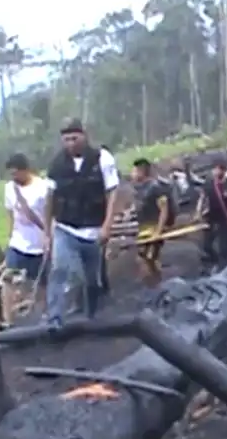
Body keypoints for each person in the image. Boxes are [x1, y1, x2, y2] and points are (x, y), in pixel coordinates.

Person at [43, 118, 120, 329]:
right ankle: (55, 318)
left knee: (92, 280)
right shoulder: (56, 164)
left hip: (94, 230)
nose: (70, 143)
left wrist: (107, 225)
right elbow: (49, 198)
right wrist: (47, 233)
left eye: (74, 138)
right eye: (66, 139)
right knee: (61, 270)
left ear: (84, 136)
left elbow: (112, 193)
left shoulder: (102, 158)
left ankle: (91, 315)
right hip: (65, 228)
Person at [3, 154, 51, 303]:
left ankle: (42, 312)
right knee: (9, 281)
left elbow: (51, 215)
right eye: (11, 174)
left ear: (26, 170)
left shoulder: (43, 187)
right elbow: (10, 213)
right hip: (17, 244)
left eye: (16, 173)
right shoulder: (9, 188)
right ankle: (10, 315)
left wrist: (49, 237)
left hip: (38, 245)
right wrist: (10, 237)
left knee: (41, 284)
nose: (13, 177)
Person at [130, 158, 176, 286]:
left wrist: (158, 231)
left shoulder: (156, 188)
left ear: (141, 171)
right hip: (143, 229)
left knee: (149, 258)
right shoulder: (140, 188)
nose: (132, 173)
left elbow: (164, 209)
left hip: (153, 228)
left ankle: (157, 283)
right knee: (145, 259)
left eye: (134, 170)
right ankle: (155, 283)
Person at [195, 159, 227, 271]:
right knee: (206, 246)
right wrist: (198, 212)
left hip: (225, 220)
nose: (215, 172)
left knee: (223, 250)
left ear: (223, 170)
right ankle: (216, 262)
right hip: (211, 219)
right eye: (214, 169)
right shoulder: (209, 183)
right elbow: (202, 198)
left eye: (217, 169)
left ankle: (223, 268)